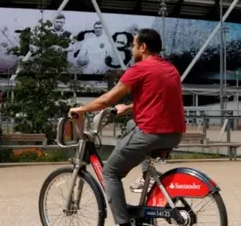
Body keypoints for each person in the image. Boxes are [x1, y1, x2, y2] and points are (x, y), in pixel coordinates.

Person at [68, 28, 186, 226]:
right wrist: (129, 107)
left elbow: (107, 100)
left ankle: (122, 223)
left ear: (143, 47)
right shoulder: (170, 68)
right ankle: (144, 183)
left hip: (152, 134)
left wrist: (81, 109)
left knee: (110, 173)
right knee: (132, 123)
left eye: (133, 45)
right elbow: (158, 100)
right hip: (174, 133)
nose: (132, 50)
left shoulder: (140, 69)